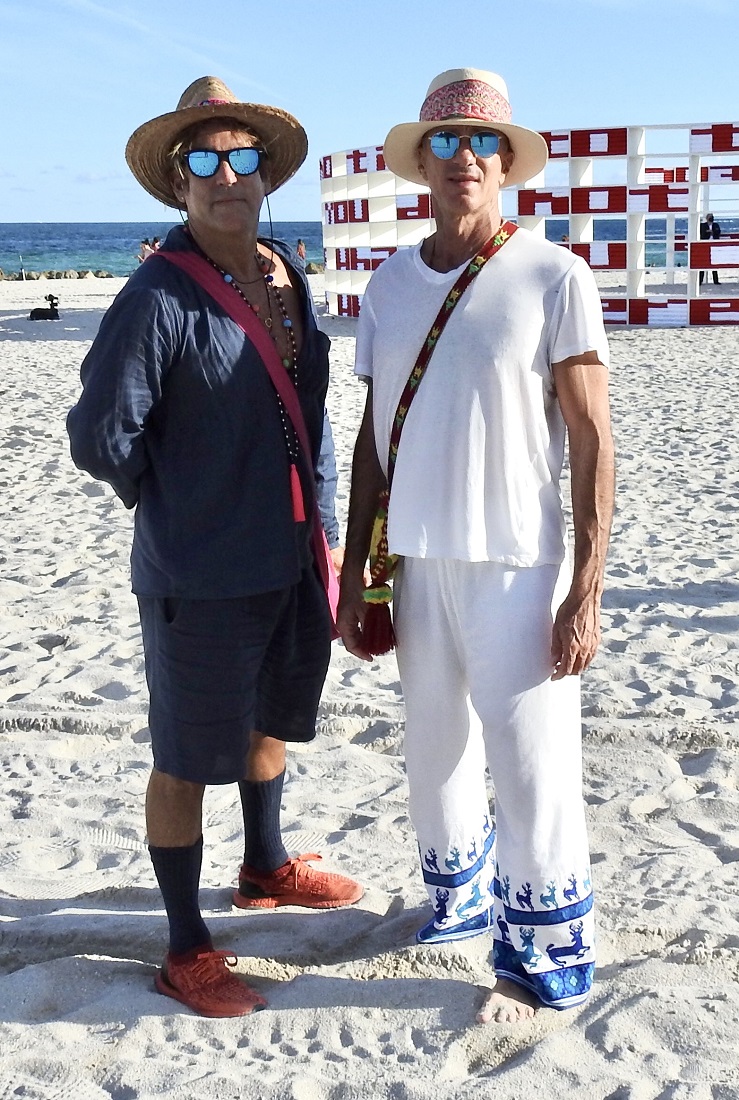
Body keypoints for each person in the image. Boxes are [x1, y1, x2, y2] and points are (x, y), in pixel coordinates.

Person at [67, 75, 362, 1019]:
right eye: (204, 159)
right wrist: (183, 505)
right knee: (189, 754)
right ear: (177, 186)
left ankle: (265, 866)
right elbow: (99, 435)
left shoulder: (284, 268)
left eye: (242, 157)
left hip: (288, 555)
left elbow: (304, 413)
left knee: (269, 719)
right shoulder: (156, 295)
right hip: (198, 571)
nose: (226, 173)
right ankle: (185, 946)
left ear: (265, 173)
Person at [338, 68, 614, 1025]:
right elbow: (376, 437)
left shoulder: (552, 274)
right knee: (434, 752)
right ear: (422, 164)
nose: (464, 159)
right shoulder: (386, 281)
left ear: (506, 162)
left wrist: (585, 586)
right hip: (414, 561)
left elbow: (590, 440)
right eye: (446, 144)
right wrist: (352, 577)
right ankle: (456, 903)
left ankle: (544, 958)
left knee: (532, 759)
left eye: (481, 143)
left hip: (517, 562)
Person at [699, 212, 721, 285]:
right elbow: (702, 234)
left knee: (714, 263)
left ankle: (715, 280)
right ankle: (700, 280)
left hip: (714, 245)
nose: (711, 218)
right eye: (710, 217)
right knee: (702, 263)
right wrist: (709, 232)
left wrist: (712, 232)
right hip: (704, 246)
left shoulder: (716, 225)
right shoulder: (702, 225)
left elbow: (718, 232)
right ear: (707, 218)